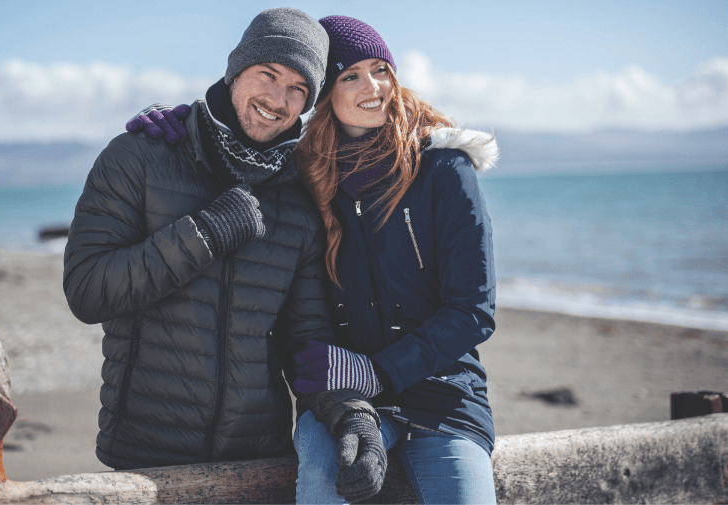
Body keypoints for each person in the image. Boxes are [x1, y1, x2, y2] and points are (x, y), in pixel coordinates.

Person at [126, 15, 500, 504]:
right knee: (322, 484)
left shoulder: (443, 169)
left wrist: (380, 372)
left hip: (445, 400)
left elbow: (473, 310)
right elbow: (232, 151)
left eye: (380, 69)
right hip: (342, 402)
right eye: (350, 76)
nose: (374, 87)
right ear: (324, 95)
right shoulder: (305, 179)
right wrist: (175, 125)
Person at [64, 7, 386, 483]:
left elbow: (307, 336)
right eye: (267, 74)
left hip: (257, 459)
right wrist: (205, 233)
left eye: (299, 88)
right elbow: (88, 291)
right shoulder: (140, 156)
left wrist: (352, 411)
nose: (278, 99)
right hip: (145, 458)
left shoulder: (297, 197)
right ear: (236, 70)